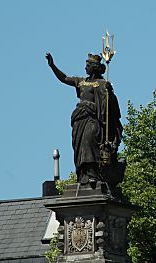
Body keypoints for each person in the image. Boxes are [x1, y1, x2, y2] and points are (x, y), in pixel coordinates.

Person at [45, 53, 123, 185]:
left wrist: (109, 93)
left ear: (94, 67)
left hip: (93, 119)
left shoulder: (102, 84)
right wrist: (52, 65)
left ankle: (94, 174)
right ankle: (83, 176)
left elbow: (111, 106)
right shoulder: (81, 81)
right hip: (79, 119)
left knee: (89, 141)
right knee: (79, 146)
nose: (85, 67)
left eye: (88, 65)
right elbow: (64, 78)